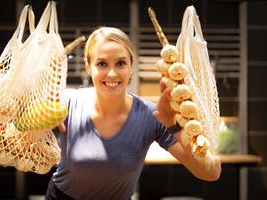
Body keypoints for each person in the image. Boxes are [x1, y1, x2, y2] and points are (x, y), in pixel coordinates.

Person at [45, 27, 221, 200]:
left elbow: (210, 173)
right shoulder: (67, 103)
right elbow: (22, 138)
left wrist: (174, 126)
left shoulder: (151, 115)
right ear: (88, 67)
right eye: (102, 64)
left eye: (121, 63)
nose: (112, 74)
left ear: (131, 66)